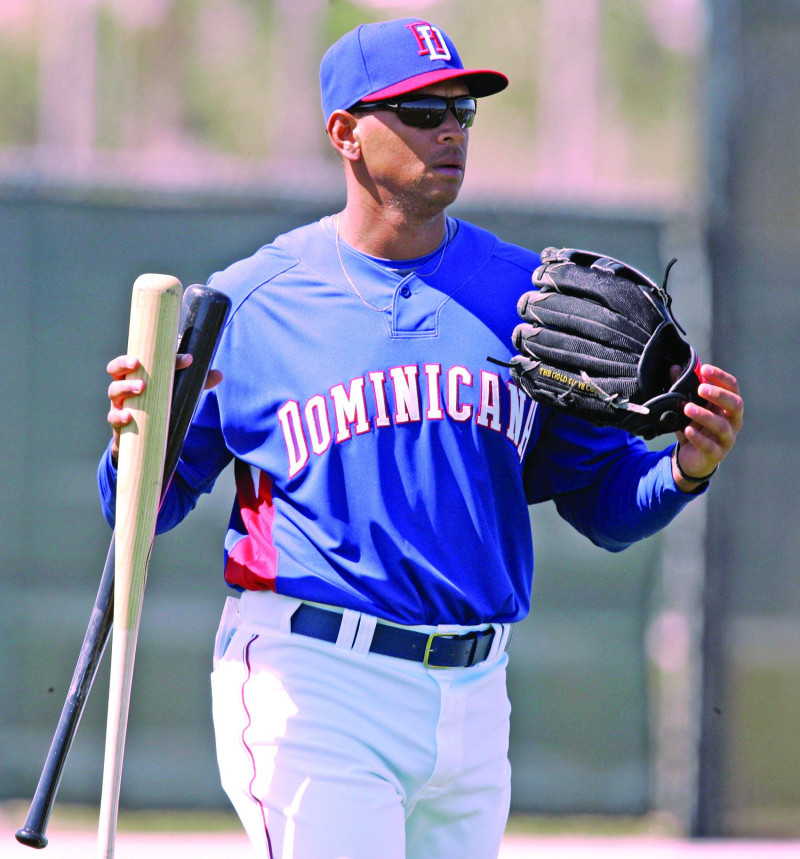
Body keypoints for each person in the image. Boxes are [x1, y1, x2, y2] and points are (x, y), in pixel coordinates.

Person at [100, 17, 743, 859]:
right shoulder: (249, 304)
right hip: (314, 677)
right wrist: (132, 443)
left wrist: (685, 472)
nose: (450, 128)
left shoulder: (527, 298)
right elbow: (145, 508)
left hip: (475, 695)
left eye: (463, 110)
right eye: (421, 109)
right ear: (346, 134)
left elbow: (602, 504)